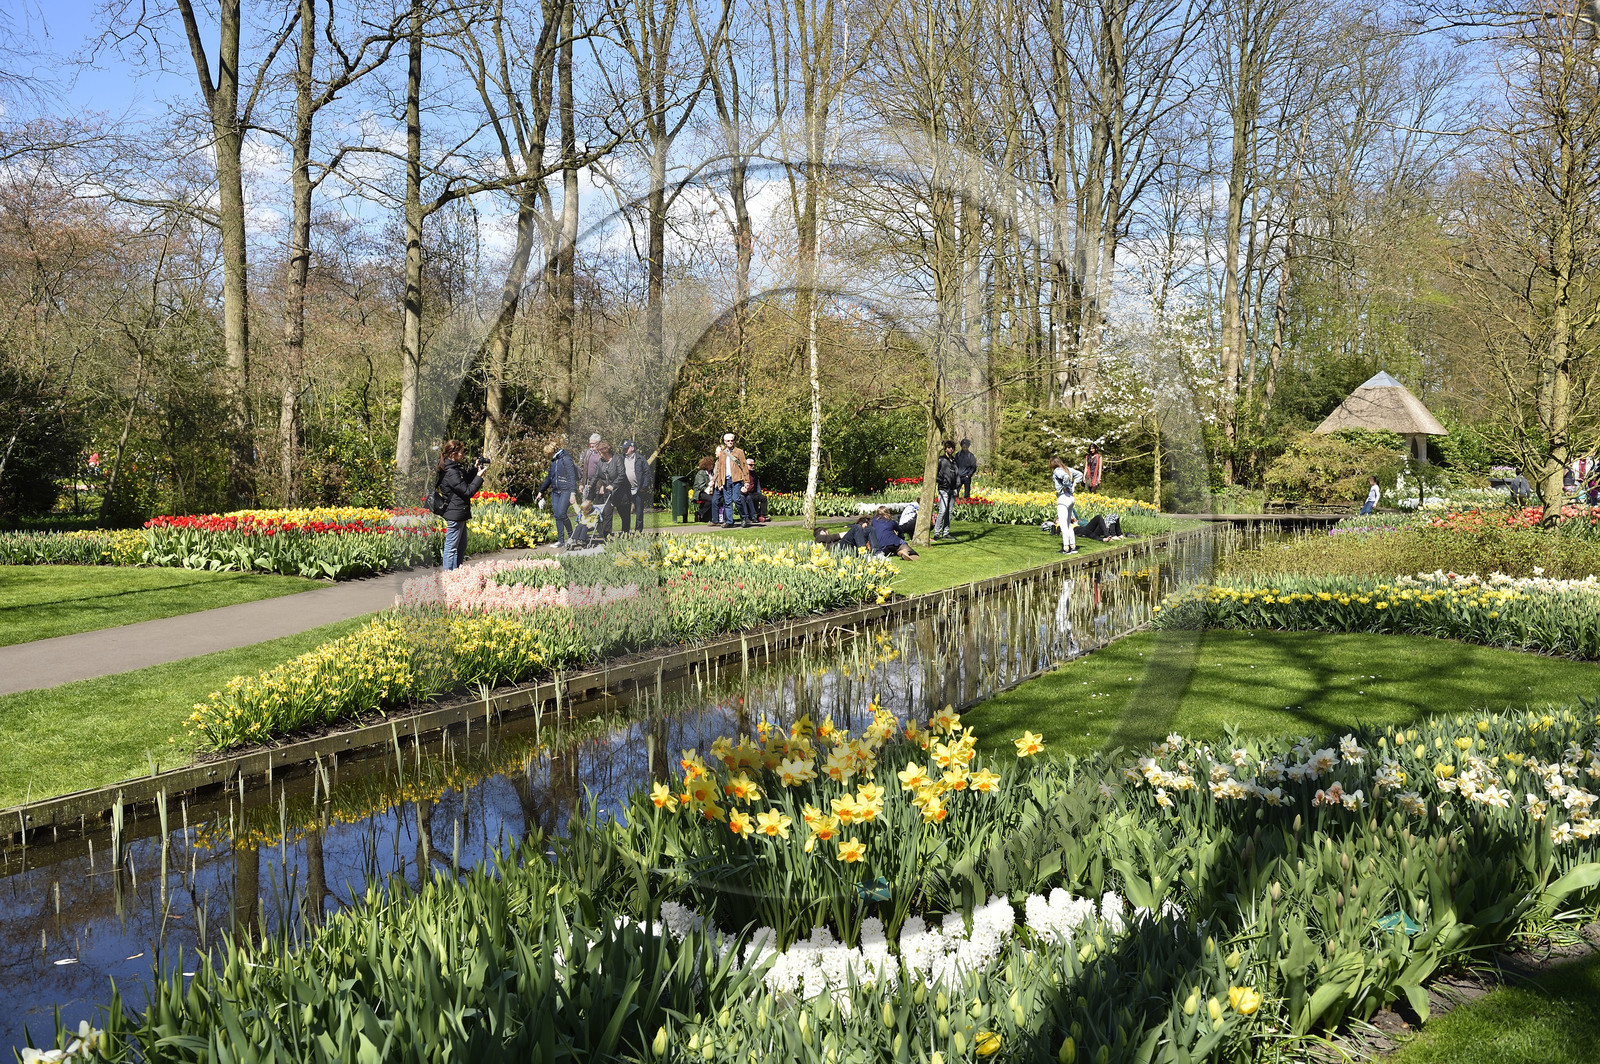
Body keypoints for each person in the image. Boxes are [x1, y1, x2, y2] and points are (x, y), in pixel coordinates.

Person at [434, 440, 486, 570]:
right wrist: (479, 477)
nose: (463, 455)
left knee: (461, 547)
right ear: (454, 454)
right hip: (455, 513)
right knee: (451, 548)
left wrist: (475, 469)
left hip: (459, 512)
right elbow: (467, 491)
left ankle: (456, 574)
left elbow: (464, 481)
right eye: (462, 452)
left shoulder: (454, 468)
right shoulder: (451, 472)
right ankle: (449, 576)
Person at [536, 441, 579, 547]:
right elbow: (549, 478)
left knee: (562, 513)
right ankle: (561, 540)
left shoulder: (566, 459)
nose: (548, 456)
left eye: (548, 454)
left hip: (566, 490)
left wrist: (573, 492)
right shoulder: (554, 461)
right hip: (555, 491)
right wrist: (541, 491)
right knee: (557, 515)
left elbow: (571, 476)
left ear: (552, 451)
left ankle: (571, 536)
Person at [715, 432, 754, 528]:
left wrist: (746, 481)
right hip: (726, 480)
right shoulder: (722, 453)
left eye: (732, 440)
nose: (730, 442)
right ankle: (729, 521)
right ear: (724, 442)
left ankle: (744, 518)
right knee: (727, 502)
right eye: (728, 441)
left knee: (736, 499)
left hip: (736, 479)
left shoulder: (739, 452)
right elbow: (720, 469)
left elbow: (744, 466)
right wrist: (719, 482)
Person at [588, 441, 622, 538]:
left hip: (619, 491)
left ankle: (626, 534)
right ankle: (607, 535)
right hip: (608, 492)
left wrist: (614, 485)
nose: (599, 455)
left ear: (605, 452)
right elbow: (596, 475)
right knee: (607, 513)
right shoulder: (601, 462)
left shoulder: (617, 459)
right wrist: (591, 485)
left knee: (623, 514)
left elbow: (621, 475)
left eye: (600, 453)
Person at [1051, 456, 1083, 555]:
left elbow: (1065, 477)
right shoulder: (1067, 469)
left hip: (1063, 498)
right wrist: (1073, 485)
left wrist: (1065, 486)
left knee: (1064, 524)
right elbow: (1080, 474)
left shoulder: (1057, 470)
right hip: (1071, 498)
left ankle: (1066, 548)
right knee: (1069, 524)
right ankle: (1073, 546)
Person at [617, 440, 651, 533]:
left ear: (632, 448)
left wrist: (644, 487)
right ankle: (625, 531)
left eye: (626, 448)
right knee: (625, 511)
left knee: (639, 512)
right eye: (623, 448)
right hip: (626, 489)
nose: (624, 450)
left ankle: (638, 531)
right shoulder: (621, 458)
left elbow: (647, 473)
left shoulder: (640, 459)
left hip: (638, 489)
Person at [935, 440, 960, 539]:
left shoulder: (954, 461)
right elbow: (935, 474)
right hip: (943, 488)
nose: (951, 449)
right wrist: (941, 481)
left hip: (953, 489)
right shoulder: (941, 460)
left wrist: (957, 487)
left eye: (952, 448)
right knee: (942, 510)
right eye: (949, 447)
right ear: (945, 448)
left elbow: (957, 475)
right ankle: (937, 532)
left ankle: (946, 533)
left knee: (949, 512)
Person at [743, 458, 770, 522]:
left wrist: (759, 493)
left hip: (753, 492)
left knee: (763, 498)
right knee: (751, 499)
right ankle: (752, 516)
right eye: (750, 465)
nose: (753, 466)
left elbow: (757, 484)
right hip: (746, 492)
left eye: (753, 465)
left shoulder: (754, 474)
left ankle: (761, 515)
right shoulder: (743, 473)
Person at [692, 456, 716, 523]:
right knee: (712, 499)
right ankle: (699, 513)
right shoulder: (701, 473)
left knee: (718, 498)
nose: (712, 465)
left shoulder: (712, 473)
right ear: (707, 465)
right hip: (700, 493)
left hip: (710, 492)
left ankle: (708, 516)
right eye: (711, 464)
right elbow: (701, 486)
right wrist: (708, 490)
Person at [581, 433, 603, 502]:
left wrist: (603, 486)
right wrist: (581, 484)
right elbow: (582, 469)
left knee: (599, 507)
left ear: (598, 443)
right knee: (586, 507)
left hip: (599, 484)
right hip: (588, 483)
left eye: (593, 444)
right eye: (590, 443)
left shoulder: (603, 453)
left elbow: (606, 471)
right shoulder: (587, 452)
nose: (591, 446)